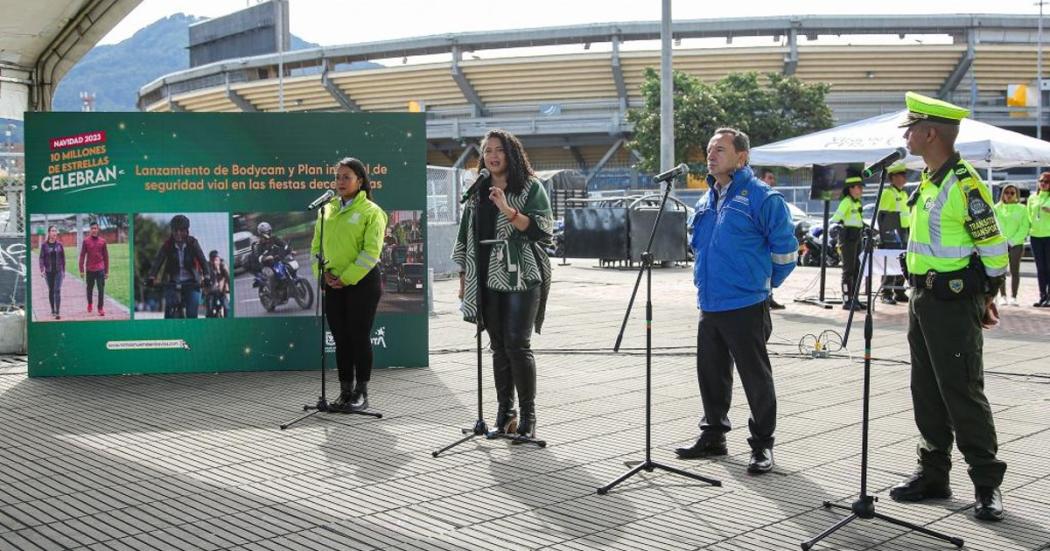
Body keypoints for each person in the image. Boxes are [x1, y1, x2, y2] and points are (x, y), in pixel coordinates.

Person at [890, 91, 1008, 522]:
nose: (905, 134)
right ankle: (934, 473)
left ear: (930, 133)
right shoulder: (929, 179)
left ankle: (987, 484)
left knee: (961, 390)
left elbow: (995, 252)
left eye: (911, 128)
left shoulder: (964, 184)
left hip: (952, 303)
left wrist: (983, 299)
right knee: (926, 390)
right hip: (921, 298)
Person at [674, 128, 798, 474]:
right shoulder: (707, 199)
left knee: (755, 378)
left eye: (720, 150)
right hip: (710, 303)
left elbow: (786, 252)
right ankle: (713, 434)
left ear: (742, 157)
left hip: (746, 304)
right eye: (709, 150)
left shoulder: (762, 197)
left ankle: (762, 445)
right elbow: (698, 246)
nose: (711, 155)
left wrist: (763, 285)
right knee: (711, 374)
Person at [453, 129, 554, 440]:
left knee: (517, 345)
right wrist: (464, 278)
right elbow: (465, 236)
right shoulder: (478, 189)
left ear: (511, 154)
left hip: (522, 276)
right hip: (486, 277)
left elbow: (541, 228)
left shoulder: (530, 187)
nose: (492, 156)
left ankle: (529, 418)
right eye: (487, 151)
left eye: (498, 150)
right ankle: (504, 414)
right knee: (497, 347)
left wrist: (506, 209)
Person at [311, 157, 387, 413]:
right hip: (333, 284)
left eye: (347, 177)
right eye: (338, 177)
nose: (340, 182)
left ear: (360, 181)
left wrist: (346, 277)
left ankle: (361, 393)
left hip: (362, 284)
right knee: (340, 338)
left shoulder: (371, 212)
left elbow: (370, 252)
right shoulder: (327, 210)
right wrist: (322, 275)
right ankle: (345, 391)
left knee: (358, 336)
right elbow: (315, 248)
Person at [147, 214, 213, 319]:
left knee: (192, 314)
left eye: (181, 230)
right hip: (172, 282)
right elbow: (158, 261)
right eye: (175, 230)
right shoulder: (168, 245)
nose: (178, 233)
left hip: (192, 282)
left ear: (187, 231)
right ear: (172, 231)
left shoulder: (193, 243)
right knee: (169, 312)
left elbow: (203, 261)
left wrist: (207, 277)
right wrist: (151, 276)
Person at [877, 163, 911, 304]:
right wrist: (887, 234)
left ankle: (899, 290)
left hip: (905, 231)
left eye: (904, 175)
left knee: (902, 262)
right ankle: (886, 293)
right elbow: (882, 216)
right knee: (890, 262)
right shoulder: (888, 193)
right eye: (901, 175)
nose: (904, 178)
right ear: (893, 178)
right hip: (893, 233)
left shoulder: (903, 193)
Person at [831, 174, 865, 310]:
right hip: (847, 238)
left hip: (857, 236)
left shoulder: (857, 202)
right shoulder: (846, 202)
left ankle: (854, 298)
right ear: (851, 188)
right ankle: (846, 299)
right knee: (848, 271)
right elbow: (835, 219)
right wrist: (838, 227)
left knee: (857, 269)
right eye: (859, 187)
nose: (861, 190)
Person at [993, 184, 1029, 307]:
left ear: (1016, 195)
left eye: (1012, 193)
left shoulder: (1022, 208)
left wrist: (1013, 241)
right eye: (1006, 192)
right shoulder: (996, 208)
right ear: (1002, 193)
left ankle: (1014, 297)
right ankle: (1002, 296)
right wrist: (1001, 240)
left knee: (1015, 271)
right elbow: (993, 225)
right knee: (1001, 271)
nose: (1009, 195)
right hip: (1000, 243)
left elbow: (1025, 227)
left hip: (1016, 244)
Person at [758, 168, 786, 310]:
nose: (772, 181)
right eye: (769, 178)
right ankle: (766, 298)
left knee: (769, 268)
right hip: (761, 247)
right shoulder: (757, 197)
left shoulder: (772, 198)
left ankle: (770, 297)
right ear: (761, 179)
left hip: (769, 246)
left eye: (773, 178)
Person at [250, 221, 293, 297]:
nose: (269, 233)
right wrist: (266, 258)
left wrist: (290, 250)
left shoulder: (273, 238)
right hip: (265, 266)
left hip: (276, 262)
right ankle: (273, 295)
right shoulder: (258, 244)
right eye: (267, 232)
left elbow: (283, 244)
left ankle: (287, 285)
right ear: (261, 233)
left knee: (288, 266)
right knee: (271, 275)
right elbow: (258, 257)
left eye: (270, 231)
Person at [79, 221, 110, 316]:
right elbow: (82, 256)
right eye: (92, 228)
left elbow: (106, 257)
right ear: (90, 230)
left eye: (95, 228)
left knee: (101, 290)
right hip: (90, 269)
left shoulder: (103, 241)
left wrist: (107, 271)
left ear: (98, 229)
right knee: (89, 289)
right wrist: (81, 270)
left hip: (100, 269)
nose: (94, 230)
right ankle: (90, 303)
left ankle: (100, 308)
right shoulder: (86, 241)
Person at [1030, 173, 1050, 307]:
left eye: (1047, 182)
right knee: (1040, 268)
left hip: (1049, 236)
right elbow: (1028, 216)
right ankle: (1042, 296)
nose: (1043, 183)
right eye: (1041, 181)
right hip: (1035, 236)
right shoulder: (1032, 198)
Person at [39, 225, 65, 320]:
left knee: (57, 290)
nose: (54, 232)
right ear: (49, 233)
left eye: (55, 231)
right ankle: (52, 309)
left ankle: (57, 312)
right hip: (49, 272)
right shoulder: (44, 245)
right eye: (52, 231)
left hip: (58, 271)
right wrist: (42, 270)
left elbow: (63, 258)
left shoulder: (59, 245)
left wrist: (63, 271)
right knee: (51, 290)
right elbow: (41, 258)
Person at [207, 250, 230, 318]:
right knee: (209, 310)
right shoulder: (207, 266)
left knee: (227, 308)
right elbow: (202, 277)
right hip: (210, 292)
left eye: (216, 260)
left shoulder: (223, 266)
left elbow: (228, 277)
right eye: (212, 260)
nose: (214, 262)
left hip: (222, 292)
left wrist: (229, 289)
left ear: (219, 259)